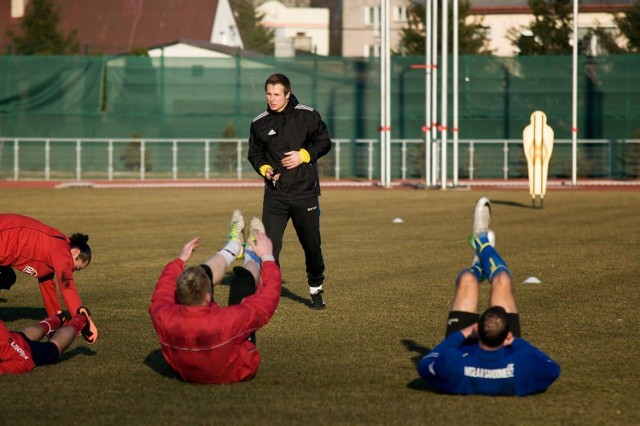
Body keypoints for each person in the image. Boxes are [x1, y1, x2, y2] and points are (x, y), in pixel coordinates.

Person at [417, 197, 561, 396]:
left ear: (477, 329)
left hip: (465, 352)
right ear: (507, 334)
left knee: (468, 278)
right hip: (506, 356)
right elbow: (552, 368)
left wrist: (463, 334)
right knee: (502, 280)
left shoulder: (453, 363)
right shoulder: (522, 365)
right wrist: (516, 342)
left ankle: (478, 263)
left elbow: (426, 363)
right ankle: (482, 241)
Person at [149, 210, 282, 384]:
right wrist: (267, 257)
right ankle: (251, 253)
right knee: (242, 284)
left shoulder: (163, 316)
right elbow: (268, 298)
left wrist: (181, 259)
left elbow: (163, 290)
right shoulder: (229, 320)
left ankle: (234, 245)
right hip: (235, 369)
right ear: (208, 296)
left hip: (185, 370)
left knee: (197, 277)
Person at [247, 73, 332, 309]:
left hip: (305, 193)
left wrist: (302, 156)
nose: (272, 99)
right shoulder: (259, 123)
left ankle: (316, 289)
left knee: (311, 246)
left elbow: (324, 141)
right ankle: (270, 293)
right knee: (269, 248)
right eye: (268, 94)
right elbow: (255, 154)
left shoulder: (308, 115)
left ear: (287, 94)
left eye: (276, 94)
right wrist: (265, 169)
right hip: (275, 196)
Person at [0, 213, 98, 344]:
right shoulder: (62, 250)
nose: (72, 270)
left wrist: (56, 320)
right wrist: (83, 320)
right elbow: (67, 285)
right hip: (3, 233)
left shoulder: (54, 253)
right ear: (75, 252)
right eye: (76, 267)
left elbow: (47, 286)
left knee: (7, 277)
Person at [0, 307, 96, 374]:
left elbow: (23, 360)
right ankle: (58, 318)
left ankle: (81, 319)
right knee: (20, 337)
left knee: (52, 349)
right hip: (8, 339)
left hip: (14, 350)